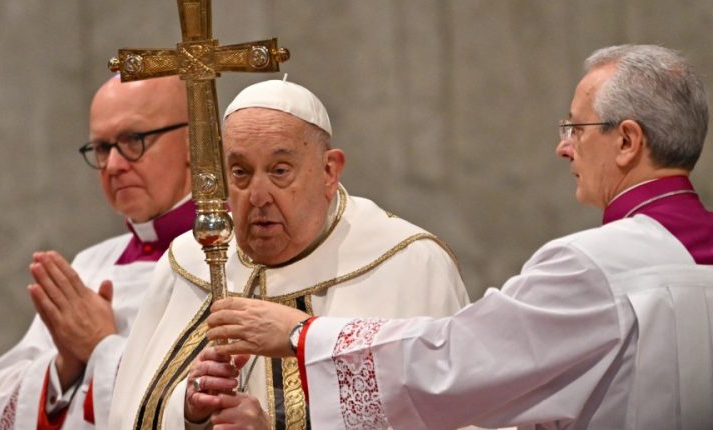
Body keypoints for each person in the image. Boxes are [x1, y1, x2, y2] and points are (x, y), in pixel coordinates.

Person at [206, 44, 713, 429]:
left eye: (576, 128)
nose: (564, 148)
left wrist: (300, 335)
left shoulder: (594, 267)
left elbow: (452, 362)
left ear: (625, 141)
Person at [107, 79, 470, 430]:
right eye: (240, 172)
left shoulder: (407, 265)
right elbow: (126, 414)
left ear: (329, 171)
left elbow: (445, 417)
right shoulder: (188, 263)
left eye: (280, 171)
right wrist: (189, 412)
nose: (258, 195)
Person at [0, 75, 195, 430]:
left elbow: (202, 404)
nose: (113, 165)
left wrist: (100, 345)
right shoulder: (90, 266)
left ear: (194, 141)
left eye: (133, 140)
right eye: (102, 147)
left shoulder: (233, 261)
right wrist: (66, 364)